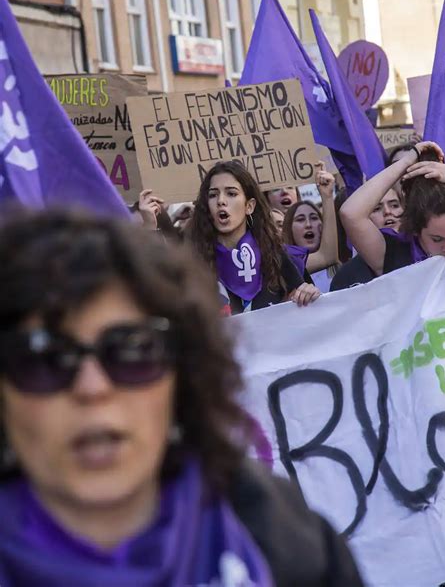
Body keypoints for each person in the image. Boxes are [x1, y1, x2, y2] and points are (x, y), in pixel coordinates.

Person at [0, 208, 364, 587]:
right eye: (44, 357)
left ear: (184, 376)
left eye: (133, 351)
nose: (93, 388)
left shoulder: (284, 534)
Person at [189, 161, 320, 314]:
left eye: (231, 193)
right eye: (213, 195)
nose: (221, 201)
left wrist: (310, 294)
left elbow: (311, 316)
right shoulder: (195, 264)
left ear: (249, 206)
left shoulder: (276, 257)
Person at [339, 141, 445, 278]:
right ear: (415, 229)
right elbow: (350, 213)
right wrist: (405, 162)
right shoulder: (393, 255)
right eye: (437, 239)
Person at [330, 187, 404, 291]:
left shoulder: (424, 252)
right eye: (377, 208)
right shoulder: (346, 276)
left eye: (394, 205)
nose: (387, 211)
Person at [282, 171, 339, 292]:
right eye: (300, 220)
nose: (308, 224)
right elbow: (327, 256)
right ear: (289, 229)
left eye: (314, 218)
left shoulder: (342, 268)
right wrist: (327, 197)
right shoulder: (287, 262)